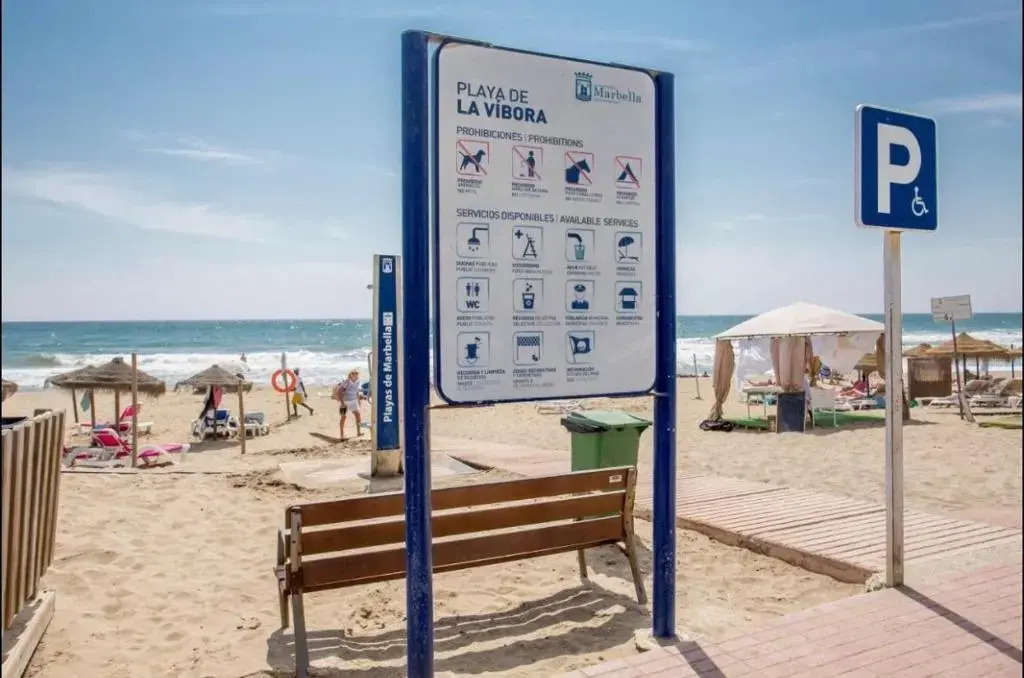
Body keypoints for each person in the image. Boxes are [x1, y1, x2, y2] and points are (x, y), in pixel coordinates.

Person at [333, 369, 365, 440]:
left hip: (354, 401)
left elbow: (357, 392)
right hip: (345, 402)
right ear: (350, 374)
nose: (354, 374)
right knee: (343, 417)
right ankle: (342, 434)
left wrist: (359, 401)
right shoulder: (346, 382)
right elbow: (339, 392)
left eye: (356, 373)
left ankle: (358, 432)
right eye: (353, 373)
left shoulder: (358, 381)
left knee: (358, 416)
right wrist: (342, 403)